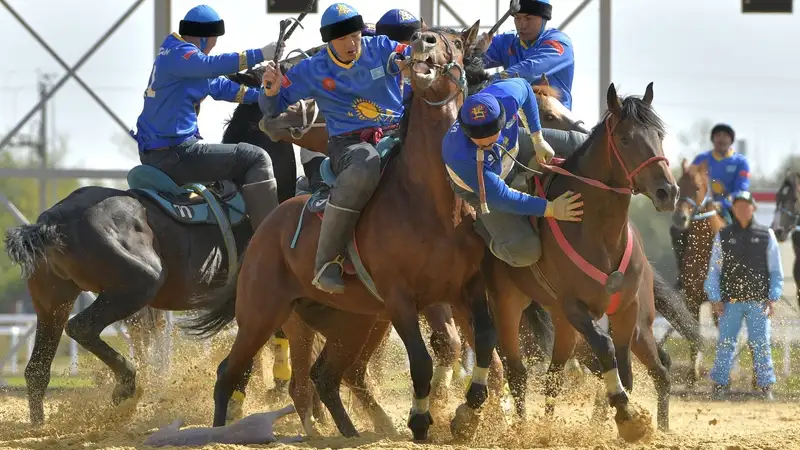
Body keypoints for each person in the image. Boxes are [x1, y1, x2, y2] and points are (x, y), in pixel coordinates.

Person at [259, 3, 412, 294]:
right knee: (365, 162)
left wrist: (415, 58)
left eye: (355, 36)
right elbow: (272, 108)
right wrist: (271, 90)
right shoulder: (312, 69)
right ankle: (326, 261)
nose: (352, 43)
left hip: (397, 134)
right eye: (343, 38)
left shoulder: (381, 46)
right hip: (349, 145)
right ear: (329, 40)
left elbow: (406, 54)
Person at [132, 4, 280, 233]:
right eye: (214, 39)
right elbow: (211, 66)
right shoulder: (182, 54)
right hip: (178, 155)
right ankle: (270, 242)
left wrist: (268, 95)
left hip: (161, 153)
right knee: (257, 158)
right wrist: (259, 54)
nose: (214, 45)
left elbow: (225, 88)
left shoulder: (180, 59)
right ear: (203, 38)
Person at [441, 78, 584, 268]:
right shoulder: (458, 155)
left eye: (491, 136)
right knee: (525, 252)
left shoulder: (507, 94)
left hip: (513, 146)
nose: (487, 144)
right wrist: (551, 209)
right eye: (479, 140)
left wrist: (538, 138)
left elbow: (526, 89)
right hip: (481, 186)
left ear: (502, 116)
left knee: (580, 142)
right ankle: (487, 232)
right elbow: (502, 196)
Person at [299, 9, 422, 197]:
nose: (409, 55)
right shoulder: (361, 61)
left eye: (412, 47)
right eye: (403, 45)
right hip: (342, 149)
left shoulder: (420, 73)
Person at [705, 191, 782, 401]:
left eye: (745, 205)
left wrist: (773, 297)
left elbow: (776, 270)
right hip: (730, 302)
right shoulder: (723, 235)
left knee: (761, 344)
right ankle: (720, 384)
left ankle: (766, 387)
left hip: (759, 302)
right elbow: (714, 269)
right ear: (733, 209)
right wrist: (715, 297)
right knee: (725, 343)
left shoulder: (767, 235)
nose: (741, 209)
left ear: (753, 208)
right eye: (737, 205)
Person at [670, 123, 751, 278]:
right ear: (713, 139)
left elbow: (741, 190)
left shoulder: (740, 162)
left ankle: (743, 275)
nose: (721, 139)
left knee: (744, 233)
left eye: (725, 136)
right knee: (677, 230)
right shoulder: (701, 159)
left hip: (729, 208)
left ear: (731, 140)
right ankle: (682, 272)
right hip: (701, 207)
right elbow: (690, 180)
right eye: (718, 135)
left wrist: (723, 203)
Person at [480, 0, 575, 109]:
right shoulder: (507, 41)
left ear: (544, 18)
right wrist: (476, 51)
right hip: (514, 116)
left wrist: (488, 82)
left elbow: (531, 70)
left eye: (528, 18)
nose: (522, 25)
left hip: (551, 117)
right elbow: (468, 61)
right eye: (517, 18)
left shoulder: (559, 43)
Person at [143, 404, 302, 447]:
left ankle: (295, 437)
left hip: (237, 433)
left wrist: (178, 420)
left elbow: (171, 428)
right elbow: (172, 427)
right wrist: (178, 420)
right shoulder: (157, 439)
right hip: (242, 428)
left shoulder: (156, 440)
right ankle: (290, 414)